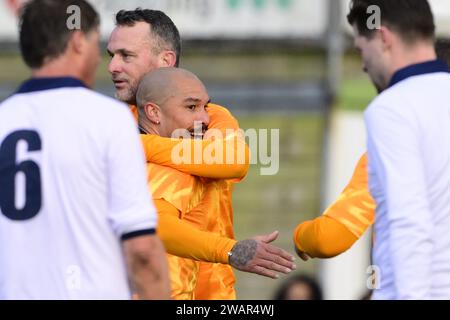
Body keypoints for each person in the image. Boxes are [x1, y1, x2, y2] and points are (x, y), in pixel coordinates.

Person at [107, 9, 295, 299]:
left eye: (126, 55)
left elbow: (233, 160)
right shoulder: (107, 124)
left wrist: (137, 146)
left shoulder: (208, 117)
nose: (113, 66)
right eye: (112, 55)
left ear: (165, 61)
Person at [0, 0, 170, 299]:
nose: (105, 63)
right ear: (78, 41)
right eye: (96, 44)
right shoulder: (108, 119)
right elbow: (142, 251)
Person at [135, 67, 296, 299]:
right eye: (191, 107)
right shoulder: (170, 169)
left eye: (205, 107)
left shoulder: (184, 146)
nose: (204, 118)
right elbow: (158, 226)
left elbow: (236, 161)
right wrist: (230, 250)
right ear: (153, 112)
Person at [349, 0, 450, 299]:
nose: (364, 64)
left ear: (383, 37)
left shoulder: (392, 107)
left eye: (360, 49)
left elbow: (409, 220)